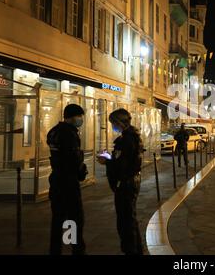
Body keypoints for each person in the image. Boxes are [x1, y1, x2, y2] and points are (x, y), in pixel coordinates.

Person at [97, 109, 144, 255]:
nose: (112, 126)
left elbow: (122, 165)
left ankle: (131, 251)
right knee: (130, 219)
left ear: (119, 122)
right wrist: (111, 158)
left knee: (125, 223)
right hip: (131, 182)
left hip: (126, 185)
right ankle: (136, 250)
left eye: (113, 123)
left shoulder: (127, 140)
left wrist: (107, 161)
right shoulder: (132, 136)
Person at [47, 104, 88, 255]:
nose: (81, 119)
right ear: (71, 117)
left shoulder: (54, 132)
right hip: (68, 182)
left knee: (58, 218)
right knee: (74, 218)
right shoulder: (69, 134)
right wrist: (81, 171)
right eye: (79, 116)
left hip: (56, 180)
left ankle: (56, 250)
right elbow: (73, 159)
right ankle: (75, 250)